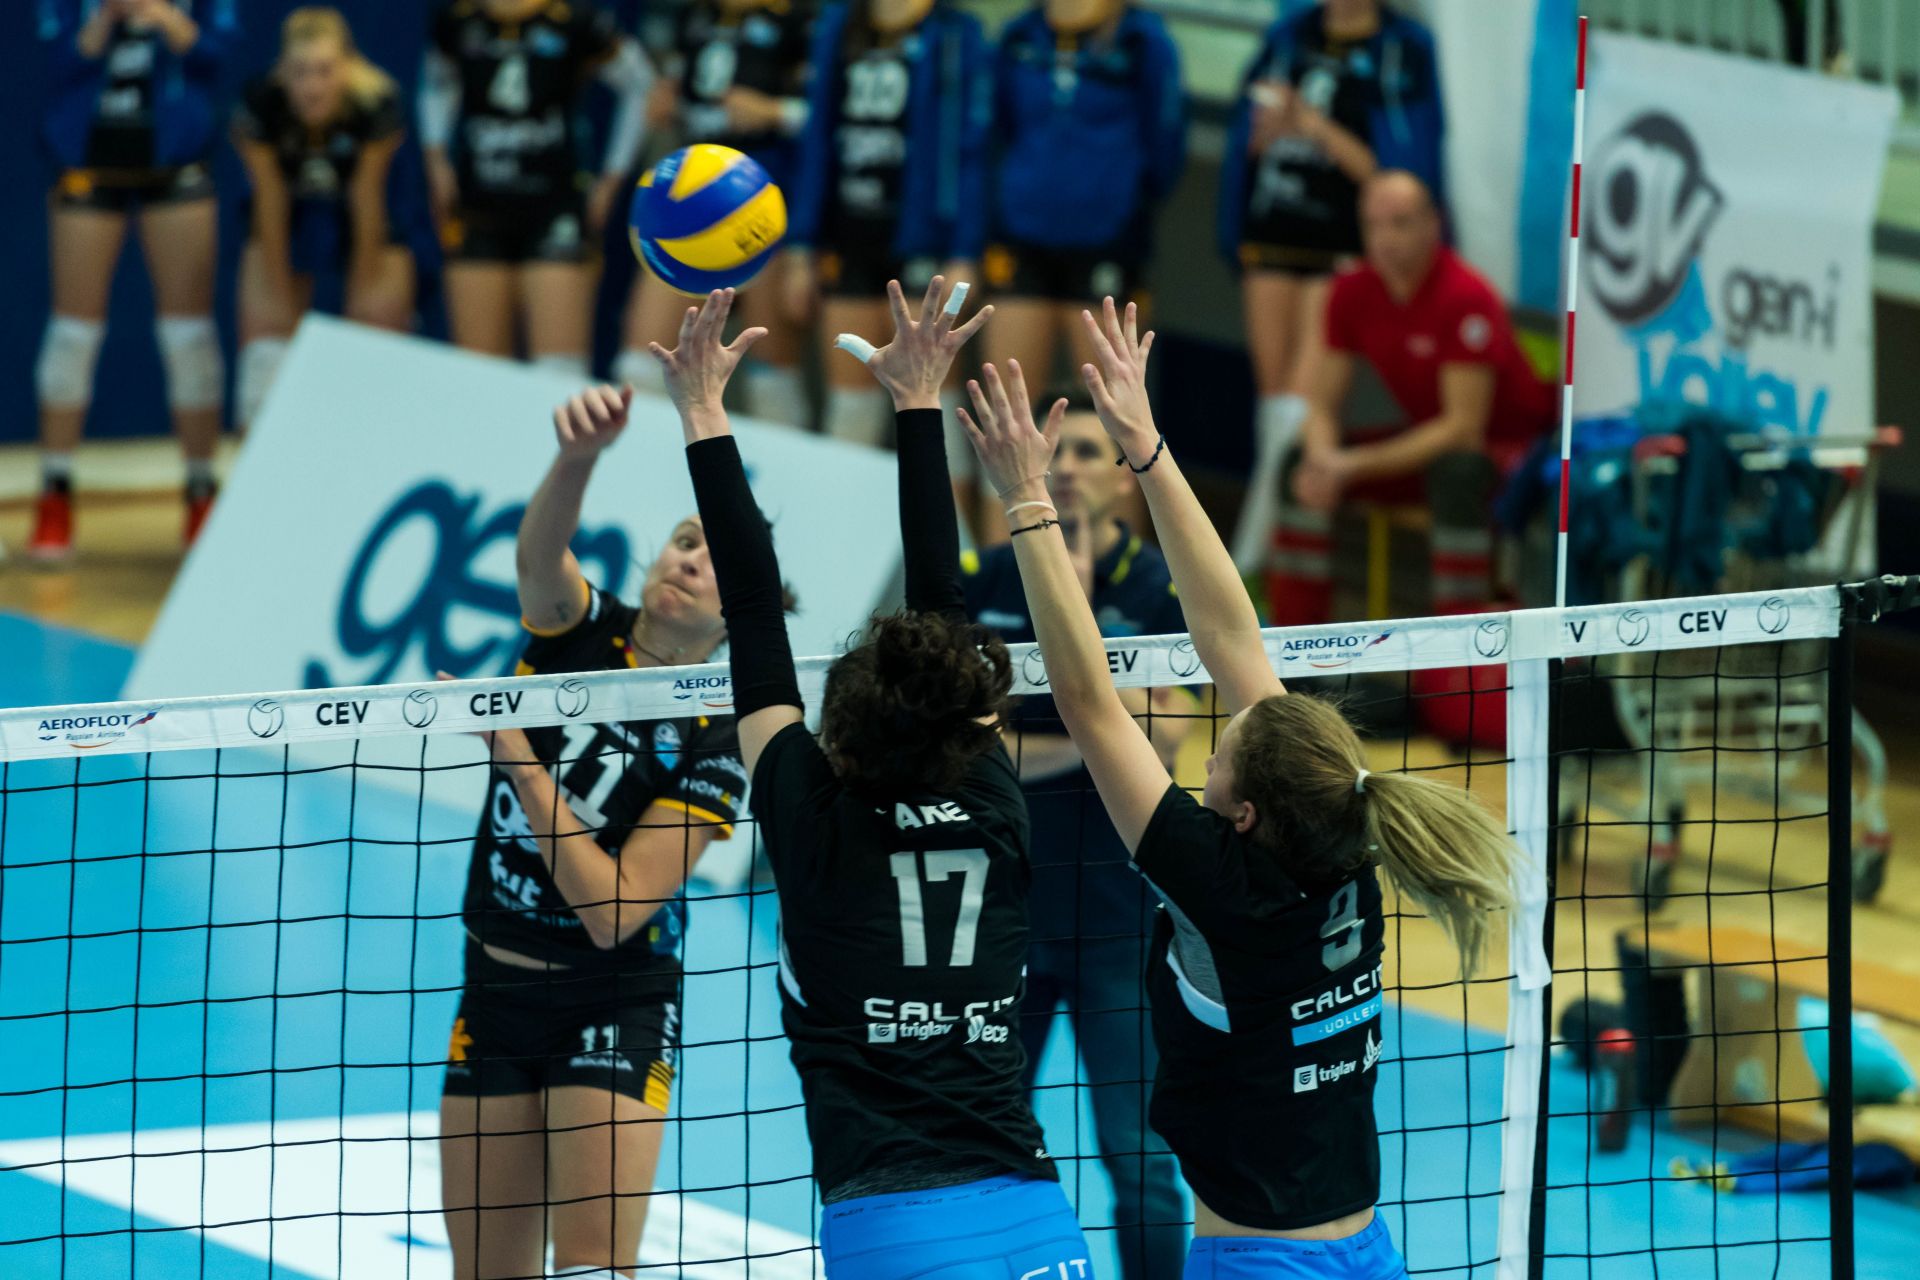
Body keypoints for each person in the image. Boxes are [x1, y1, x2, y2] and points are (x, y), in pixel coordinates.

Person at [959, 297, 1521, 1278]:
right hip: (1367, 1249)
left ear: (1245, 811)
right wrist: (1146, 445)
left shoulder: (1224, 882)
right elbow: (1232, 637)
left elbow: (1089, 703)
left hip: (1261, 1263)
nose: (1207, 754)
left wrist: (1026, 499)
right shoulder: (1342, 844)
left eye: (1218, 757)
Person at [651, 281, 1093, 1277]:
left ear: (840, 724)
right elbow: (941, 606)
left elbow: (752, 612)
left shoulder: (811, 823)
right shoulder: (994, 802)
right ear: (969, 715)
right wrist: (917, 399)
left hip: (893, 1228)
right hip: (1037, 1215)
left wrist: (703, 410)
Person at [439, 382, 750, 1279]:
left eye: (716, 557)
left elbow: (613, 911)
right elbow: (539, 555)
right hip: (493, 987)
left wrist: (520, 760)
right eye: (685, 540)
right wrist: (577, 458)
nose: (691, 560)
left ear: (741, 611)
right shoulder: (578, 633)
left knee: (593, 1269)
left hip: (614, 1000)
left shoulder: (717, 736)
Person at [960, 395, 1194, 1277]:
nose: (1065, 466)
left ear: (1122, 479)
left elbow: (1168, 735)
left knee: (1141, 1159)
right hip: (1004, 915)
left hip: (1118, 920)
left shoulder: (1151, 584)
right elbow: (965, 751)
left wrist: (1081, 621)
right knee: (982, 1141)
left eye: (1088, 451)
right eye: (1055, 449)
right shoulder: (987, 577)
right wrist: (1099, 733)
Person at [1218, 0, 1445, 574]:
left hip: (1340, 243)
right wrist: (1263, 135)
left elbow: (1398, 177)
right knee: (1273, 407)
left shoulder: (1402, 50)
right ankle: (1267, 558)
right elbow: (1243, 142)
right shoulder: (1289, 36)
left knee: (1302, 406)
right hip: (1273, 233)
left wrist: (1313, 127)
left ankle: (1250, 561)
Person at [1269, 171, 1552, 627]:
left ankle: (1460, 643)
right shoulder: (1352, 291)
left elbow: (1463, 428)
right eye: (1373, 225)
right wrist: (1324, 459)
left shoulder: (1466, 296)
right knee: (1297, 464)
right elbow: (1321, 404)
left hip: (1509, 456)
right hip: (1432, 449)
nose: (1385, 239)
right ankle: (1295, 640)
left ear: (1433, 224)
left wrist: (1351, 465)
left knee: (1458, 473)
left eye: (1399, 223)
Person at [30, 0, 239, 560]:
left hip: (176, 164)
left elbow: (217, 56)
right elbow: (56, 61)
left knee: (188, 335)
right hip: (88, 162)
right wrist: (104, 18)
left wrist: (162, 16)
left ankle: (201, 491)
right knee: (73, 333)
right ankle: (54, 492)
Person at [975, 0, 1184, 536]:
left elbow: (1165, 153)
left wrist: (1111, 198)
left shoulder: (1143, 42)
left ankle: (1123, 581)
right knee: (1008, 421)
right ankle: (1001, 574)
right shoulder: (1020, 34)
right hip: (1020, 238)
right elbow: (996, 131)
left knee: (1118, 426)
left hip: (1106, 244)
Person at [783, 0, 991, 451]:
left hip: (923, 241)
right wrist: (800, 248)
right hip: (849, 237)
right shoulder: (840, 23)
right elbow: (817, 140)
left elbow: (973, 151)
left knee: (934, 418)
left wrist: (965, 251)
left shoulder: (957, 33)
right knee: (850, 418)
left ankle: (949, 502)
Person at [420, 0, 652, 374]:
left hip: (556, 208)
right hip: (478, 206)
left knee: (559, 373)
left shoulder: (577, 20)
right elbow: (436, 84)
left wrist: (611, 179)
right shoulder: (457, 20)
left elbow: (641, 85)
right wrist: (435, 157)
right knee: (477, 374)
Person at [614, 0, 812, 427]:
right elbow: (683, 92)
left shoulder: (798, 21)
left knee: (771, 372)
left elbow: (832, 115)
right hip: (690, 208)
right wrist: (666, 101)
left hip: (763, 206)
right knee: (641, 362)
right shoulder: (696, 15)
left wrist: (775, 112)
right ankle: (645, 461)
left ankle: (770, 469)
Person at [231, 7, 414, 433]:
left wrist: (360, 314)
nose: (312, 87)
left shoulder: (378, 102)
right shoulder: (261, 103)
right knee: (266, 349)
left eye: (324, 71)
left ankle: (370, 441)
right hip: (291, 217)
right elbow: (270, 201)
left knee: (374, 332)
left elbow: (367, 199)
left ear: (348, 66)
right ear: (281, 71)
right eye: (300, 72)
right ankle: (263, 450)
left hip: (368, 220)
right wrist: (280, 307)